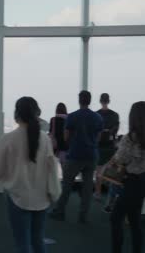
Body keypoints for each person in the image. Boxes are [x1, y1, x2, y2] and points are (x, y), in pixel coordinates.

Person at [0, 97, 56, 253]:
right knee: (38, 240)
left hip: (18, 197)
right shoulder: (45, 139)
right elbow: (51, 168)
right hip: (42, 198)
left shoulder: (8, 139)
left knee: (22, 243)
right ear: (36, 113)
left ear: (17, 114)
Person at [50, 90, 103, 224]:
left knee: (67, 184)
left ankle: (59, 212)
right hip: (91, 155)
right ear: (90, 101)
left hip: (75, 154)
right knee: (87, 187)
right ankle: (83, 216)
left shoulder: (72, 117)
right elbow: (98, 137)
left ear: (79, 100)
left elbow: (66, 137)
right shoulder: (97, 117)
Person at [106, 102, 145, 253]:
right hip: (142, 182)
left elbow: (120, 159)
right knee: (135, 220)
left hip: (131, 182)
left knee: (115, 218)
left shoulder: (130, 138)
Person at [94, 93, 120, 201]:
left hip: (99, 146)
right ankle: (112, 196)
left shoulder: (96, 114)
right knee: (113, 173)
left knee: (98, 172)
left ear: (100, 101)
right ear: (108, 101)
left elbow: (94, 132)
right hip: (110, 146)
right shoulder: (115, 115)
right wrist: (108, 132)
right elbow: (115, 131)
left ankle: (98, 193)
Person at [49, 103, 69, 167]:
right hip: (67, 147)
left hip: (56, 148)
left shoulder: (53, 120)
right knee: (66, 168)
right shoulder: (69, 119)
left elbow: (51, 132)